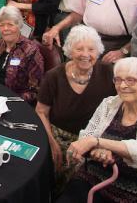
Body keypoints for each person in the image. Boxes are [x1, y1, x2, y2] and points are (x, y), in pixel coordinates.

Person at [61, 58, 137, 203]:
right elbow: (86, 137)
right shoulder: (109, 104)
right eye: (118, 80)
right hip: (92, 178)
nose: (122, 85)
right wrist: (96, 151)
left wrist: (98, 142)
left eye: (131, 80)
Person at [36, 26, 115, 186]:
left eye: (91, 49)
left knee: (85, 179)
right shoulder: (53, 76)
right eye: (79, 49)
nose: (85, 54)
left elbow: (135, 84)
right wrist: (51, 144)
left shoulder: (110, 72)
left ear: (98, 51)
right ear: (70, 51)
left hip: (95, 140)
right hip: (59, 137)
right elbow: (41, 112)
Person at [0, 6, 44, 104]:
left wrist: (10, 100)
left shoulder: (30, 50)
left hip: (16, 101)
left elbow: (35, 90)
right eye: (1, 25)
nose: (5, 29)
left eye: (10, 24)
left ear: (19, 25)